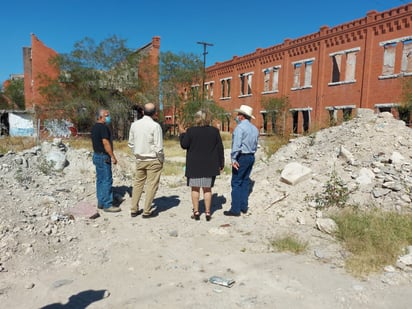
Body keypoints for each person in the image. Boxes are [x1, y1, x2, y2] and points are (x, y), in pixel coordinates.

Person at [178, 110, 224, 221]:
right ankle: (208, 213)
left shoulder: (191, 131)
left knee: (195, 189)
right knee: (207, 189)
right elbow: (220, 148)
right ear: (208, 119)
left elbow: (184, 145)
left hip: (194, 165)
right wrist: (221, 163)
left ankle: (196, 211)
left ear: (197, 118)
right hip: (210, 165)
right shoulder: (214, 131)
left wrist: (182, 133)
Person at [128, 103, 164, 218]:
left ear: (143, 111)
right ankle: (147, 211)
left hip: (140, 159)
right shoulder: (155, 126)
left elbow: (131, 143)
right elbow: (159, 146)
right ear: (155, 113)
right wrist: (161, 159)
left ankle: (134, 209)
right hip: (153, 159)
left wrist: (137, 153)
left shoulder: (134, 125)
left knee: (138, 183)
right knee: (151, 185)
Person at [224, 105, 259, 217]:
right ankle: (244, 206)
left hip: (241, 156)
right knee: (245, 181)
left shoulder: (240, 128)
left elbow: (236, 145)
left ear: (242, 116)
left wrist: (234, 158)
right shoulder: (254, 129)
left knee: (236, 182)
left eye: (238, 115)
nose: (237, 117)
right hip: (251, 156)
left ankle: (235, 209)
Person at [91, 108, 120, 213]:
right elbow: (105, 143)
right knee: (107, 180)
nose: (108, 117)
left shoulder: (94, 127)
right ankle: (107, 204)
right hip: (104, 157)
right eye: (106, 115)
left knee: (100, 180)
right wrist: (112, 156)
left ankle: (101, 202)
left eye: (108, 115)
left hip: (96, 156)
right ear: (100, 117)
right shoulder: (103, 128)